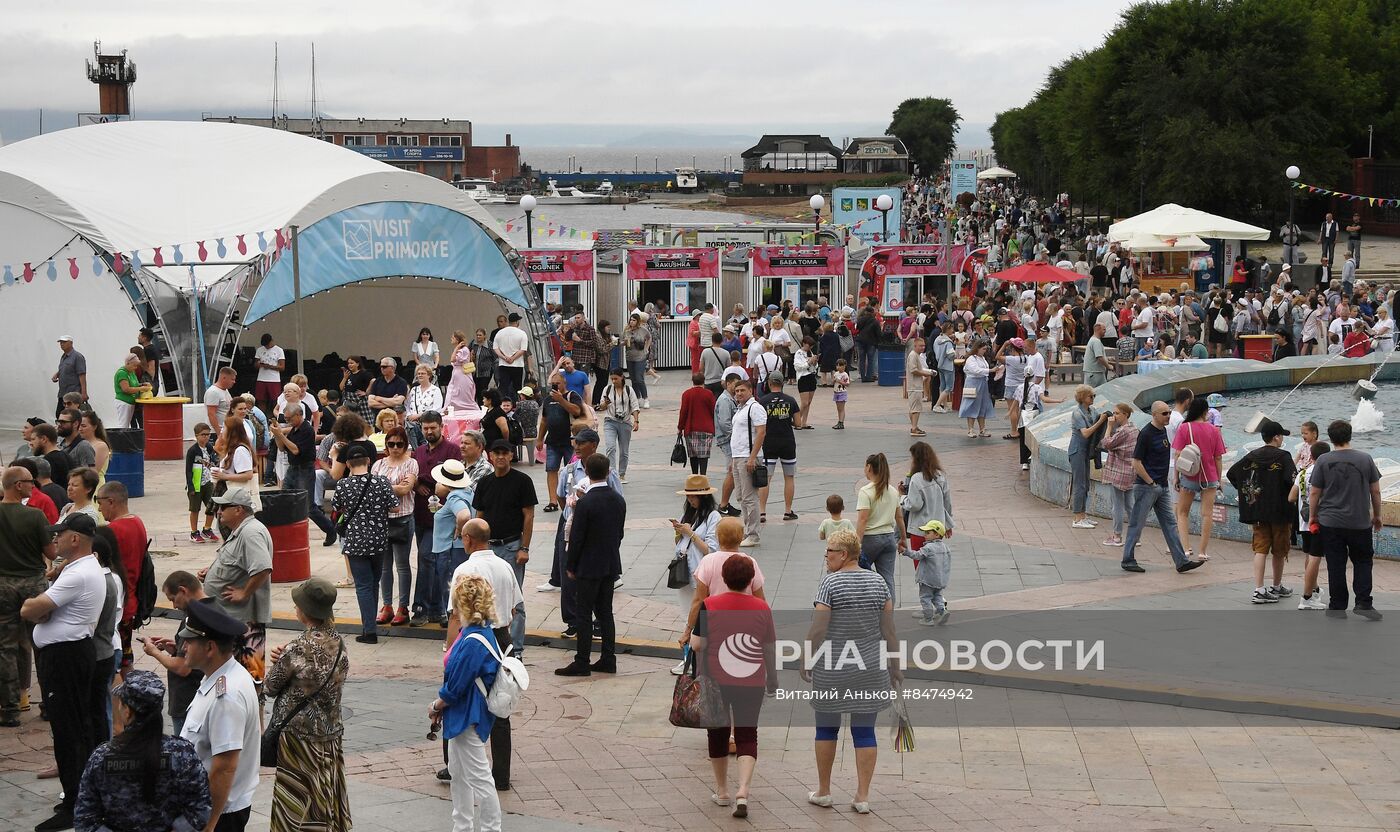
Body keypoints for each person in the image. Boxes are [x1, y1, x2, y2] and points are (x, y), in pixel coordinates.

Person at [803, 528, 902, 815]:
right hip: (870, 668)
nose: (826, 558)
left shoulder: (830, 584)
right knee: (864, 731)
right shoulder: (880, 583)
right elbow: (889, 631)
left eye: (829, 552)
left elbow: (819, 627)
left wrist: (806, 657)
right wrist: (895, 666)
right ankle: (862, 796)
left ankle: (823, 791)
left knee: (826, 729)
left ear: (844, 554)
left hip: (833, 668)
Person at [22, 512, 105, 832]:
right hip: (72, 653)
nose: (54, 539)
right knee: (77, 726)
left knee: (68, 730)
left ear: (76, 539)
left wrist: (34, 606)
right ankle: (81, 796)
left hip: (65, 657)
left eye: (61, 533)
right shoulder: (82, 568)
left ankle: (74, 805)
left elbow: (30, 609)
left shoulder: (77, 574)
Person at [690, 555, 777, 818]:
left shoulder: (709, 604)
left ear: (725, 579)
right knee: (747, 734)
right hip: (751, 680)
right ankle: (744, 790)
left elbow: (696, 645)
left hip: (715, 680)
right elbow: (769, 647)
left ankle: (723, 790)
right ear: (751, 579)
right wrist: (772, 679)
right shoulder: (762, 608)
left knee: (717, 734)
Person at [73, 670, 212, 832]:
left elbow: (85, 819)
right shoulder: (182, 753)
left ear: (127, 711)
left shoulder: (102, 757)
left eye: (121, 703)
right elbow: (201, 808)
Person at [265, 578, 351, 832]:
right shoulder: (339, 643)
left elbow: (270, 686)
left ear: (306, 611)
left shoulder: (298, 647)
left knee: (299, 796)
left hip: (298, 737)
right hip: (330, 733)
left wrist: (280, 660)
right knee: (324, 789)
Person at [177, 600, 262, 832]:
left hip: (219, 813)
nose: (183, 647)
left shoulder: (227, 697)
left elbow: (225, 766)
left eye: (189, 642)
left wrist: (209, 823)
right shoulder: (220, 675)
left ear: (210, 648)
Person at [431, 574, 502, 832]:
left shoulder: (471, 640)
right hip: (465, 712)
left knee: (480, 777)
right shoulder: (478, 632)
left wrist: (437, 705)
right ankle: (462, 826)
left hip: (467, 714)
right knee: (458, 773)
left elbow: (457, 686)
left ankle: (490, 828)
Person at [557, 453, 626, 676]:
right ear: (608, 473)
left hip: (588, 565)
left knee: (584, 613)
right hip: (610, 563)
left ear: (586, 472)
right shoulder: (618, 500)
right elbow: (619, 534)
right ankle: (608, 658)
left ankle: (582, 661)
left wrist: (571, 565)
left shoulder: (585, 503)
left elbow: (577, 538)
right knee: (606, 612)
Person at [1307, 420, 1383, 619]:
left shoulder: (1323, 460)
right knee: (1363, 561)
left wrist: (1313, 516)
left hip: (1330, 522)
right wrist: (1377, 515)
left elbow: (1314, 493)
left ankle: (1337, 606)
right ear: (1350, 435)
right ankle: (1364, 603)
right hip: (1359, 522)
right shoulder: (1366, 459)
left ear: (1330, 438)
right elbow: (1375, 491)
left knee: (1335, 563)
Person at [1121, 401, 1204, 574]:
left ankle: (1181, 561)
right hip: (1146, 487)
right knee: (1137, 523)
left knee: (1170, 524)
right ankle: (1128, 559)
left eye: (1169, 412)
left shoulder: (1164, 432)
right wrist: (1150, 482)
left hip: (1162, 487)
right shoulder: (1146, 434)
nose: (1168, 416)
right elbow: (1136, 462)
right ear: (1154, 415)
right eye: (1164, 413)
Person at [473, 439, 536, 658]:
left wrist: (524, 548)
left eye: (505, 453)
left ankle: (515, 649)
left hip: (511, 546)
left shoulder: (523, 481)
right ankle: (489, 644)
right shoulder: (484, 483)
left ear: (511, 455)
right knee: (485, 598)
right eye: (496, 453)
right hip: (488, 548)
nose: (500, 457)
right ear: (489, 455)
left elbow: (529, 515)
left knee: (514, 599)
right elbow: (479, 516)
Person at [1225, 418, 1298, 604]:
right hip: (1280, 511)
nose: (1282, 439)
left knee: (1260, 549)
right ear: (1276, 437)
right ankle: (1276, 584)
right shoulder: (1284, 457)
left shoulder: (1251, 456)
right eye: (1281, 436)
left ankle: (1259, 589)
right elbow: (1293, 481)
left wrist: (1247, 491)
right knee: (1280, 550)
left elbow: (1232, 473)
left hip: (1256, 510)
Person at [333, 445, 397, 643]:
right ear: (369, 461)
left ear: (349, 464)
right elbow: (394, 507)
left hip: (355, 542)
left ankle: (369, 631)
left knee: (362, 586)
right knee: (373, 583)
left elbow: (336, 508)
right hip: (378, 541)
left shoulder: (343, 485)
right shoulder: (381, 482)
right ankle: (371, 625)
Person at [141, 571, 213, 736]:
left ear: (183, 590)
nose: (174, 606)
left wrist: (154, 653)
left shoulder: (193, 618)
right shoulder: (211, 608)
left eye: (173, 599)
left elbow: (183, 668)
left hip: (186, 700)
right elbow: (201, 651)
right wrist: (176, 649)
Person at [408, 411, 461, 626]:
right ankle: (436, 608)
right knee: (428, 562)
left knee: (429, 558)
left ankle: (425, 609)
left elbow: (453, 480)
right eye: (425, 428)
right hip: (420, 514)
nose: (429, 431)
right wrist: (416, 483)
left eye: (433, 428)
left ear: (441, 427)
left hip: (442, 517)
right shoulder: (418, 452)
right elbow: (411, 475)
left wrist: (426, 481)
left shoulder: (452, 450)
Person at [668, 475, 721, 673]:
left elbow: (711, 550)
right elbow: (680, 544)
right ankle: (688, 660)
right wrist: (679, 532)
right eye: (688, 496)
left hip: (701, 574)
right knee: (687, 617)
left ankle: (696, 661)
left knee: (698, 619)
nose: (690, 500)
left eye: (693, 496)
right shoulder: (689, 514)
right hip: (684, 573)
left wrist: (690, 533)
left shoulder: (713, 517)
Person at [372, 427, 419, 627]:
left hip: (403, 518)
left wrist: (381, 487)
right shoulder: (378, 464)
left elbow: (405, 489)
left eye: (399, 444)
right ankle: (387, 605)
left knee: (402, 565)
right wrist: (393, 487)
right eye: (391, 444)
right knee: (384, 567)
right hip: (382, 520)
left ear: (405, 445)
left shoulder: (411, 463)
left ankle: (403, 606)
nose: (395, 448)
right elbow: (377, 488)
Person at [1172, 396, 1227, 562]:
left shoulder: (1184, 428)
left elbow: (1177, 454)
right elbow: (1218, 457)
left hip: (1189, 475)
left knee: (1182, 512)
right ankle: (1203, 551)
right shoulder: (1214, 430)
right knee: (1207, 514)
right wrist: (1219, 479)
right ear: (1205, 411)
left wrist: (1176, 477)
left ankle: (1186, 548)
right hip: (1209, 477)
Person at [854, 452, 908, 598]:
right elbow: (899, 517)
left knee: (860, 577)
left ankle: (865, 607)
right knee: (888, 579)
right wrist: (903, 538)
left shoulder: (865, 491)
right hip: (889, 538)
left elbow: (863, 520)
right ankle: (888, 614)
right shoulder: (892, 491)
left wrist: (857, 543)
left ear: (869, 467)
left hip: (870, 540)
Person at [727, 380, 766, 547]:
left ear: (751, 390)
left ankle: (753, 534)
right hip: (738, 457)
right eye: (736, 391)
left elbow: (761, 432)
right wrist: (733, 460)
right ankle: (748, 529)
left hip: (747, 457)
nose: (739, 393)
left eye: (742, 390)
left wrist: (752, 457)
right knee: (741, 496)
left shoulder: (754, 408)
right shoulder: (740, 408)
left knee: (750, 497)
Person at [535, 378, 583, 510]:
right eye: (553, 384)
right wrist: (540, 438)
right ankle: (553, 501)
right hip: (553, 441)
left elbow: (577, 411)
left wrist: (561, 400)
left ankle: (573, 496)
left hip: (571, 440)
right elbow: (544, 420)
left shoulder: (572, 396)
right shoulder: (548, 400)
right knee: (551, 469)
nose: (555, 386)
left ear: (564, 383)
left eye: (558, 383)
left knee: (572, 470)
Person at [757, 375, 799, 522]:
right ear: (782, 383)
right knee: (789, 477)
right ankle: (788, 511)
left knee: (766, 478)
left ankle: (762, 512)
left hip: (769, 442)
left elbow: (758, 423)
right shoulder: (791, 400)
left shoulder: (762, 402)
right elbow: (799, 423)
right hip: (787, 442)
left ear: (769, 384)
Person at [899, 442, 953, 551]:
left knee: (920, 565)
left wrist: (903, 497)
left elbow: (914, 505)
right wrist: (947, 524)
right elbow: (947, 502)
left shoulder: (916, 478)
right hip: (937, 529)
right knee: (935, 563)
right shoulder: (940, 476)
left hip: (920, 529)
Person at [1098, 403, 1139, 548]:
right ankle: (1136, 536)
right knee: (1130, 505)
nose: (1114, 416)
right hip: (1131, 472)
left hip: (1119, 473)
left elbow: (1106, 443)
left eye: (1117, 413)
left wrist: (1108, 427)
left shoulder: (1123, 431)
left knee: (1117, 506)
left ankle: (1116, 536)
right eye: (1114, 413)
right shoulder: (1134, 429)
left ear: (1125, 414)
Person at [1068, 385, 1108, 529]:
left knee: (1085, 483)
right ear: (1083, 397)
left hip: (1085, 450)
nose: (1093, 398)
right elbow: (1085, 433)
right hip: (1077, 450)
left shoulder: (1091, 411)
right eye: (1091, 396)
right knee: (1079, 484)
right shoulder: (1077, 413)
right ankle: (1077, 518)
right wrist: (1100, 422)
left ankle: (1083, 515)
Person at [598, 367, 641, 482]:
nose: (613, 381)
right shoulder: (607, 389)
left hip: (625, 422)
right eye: (611, 379)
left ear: (622, 377)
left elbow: (635, 406)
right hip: (610, 421)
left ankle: (622, 474)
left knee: (624, 451)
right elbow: (601, 407)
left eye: (615, 378)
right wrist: (605, 404)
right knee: (610, 447)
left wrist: (636, 421)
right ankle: (612, 473)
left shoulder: (629, 390)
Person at [676, 372, 715, 476]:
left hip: (691, 428)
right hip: (706, 428)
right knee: (704, 455)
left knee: (693, 455)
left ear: (692, 381)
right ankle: (703, 476)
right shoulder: (709, 394)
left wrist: (680, 427)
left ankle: (694, 475)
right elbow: (713, 411)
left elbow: (683, 412)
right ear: (704, 381)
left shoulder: (686, 394)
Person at [958, 341, 995, 438]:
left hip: (983, 383)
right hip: (973, 383)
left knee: (983, 405)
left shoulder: (982, 358)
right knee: (972, 404)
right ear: (977, 348)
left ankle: (982, 429)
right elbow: (975, 370)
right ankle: (970, 429)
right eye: (983, 349)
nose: (984, 351)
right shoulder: (971, 358)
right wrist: (990, 370)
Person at [405, 364, 445, 447]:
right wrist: (409, 416)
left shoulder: (435, 390)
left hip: (428, 424)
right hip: (413, 425)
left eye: (423, 373)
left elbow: (437, 409)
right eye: (418, 373)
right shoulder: (414, 390)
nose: (420, 375)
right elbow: (407, 405)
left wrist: (419, 415)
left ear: (429, 375)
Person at [112, 353, 152, 429]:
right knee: (123, 425)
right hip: (124, 402)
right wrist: (141, 389)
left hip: (131, 402)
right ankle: (121, 439)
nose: (136, 368)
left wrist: (142, 384)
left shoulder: (131, 372)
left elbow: (134, 384)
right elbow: (126, 389)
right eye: (134, 365)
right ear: (128, 363)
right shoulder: (122, 373)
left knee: (127, 424)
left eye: (136, 365)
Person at [52, 335, 88, 416]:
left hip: (73, 394)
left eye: (64, 342)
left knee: (72, 415)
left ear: (71, 343)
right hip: (63, 392)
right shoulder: (63, 357)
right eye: (60, 342)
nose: (62, 344)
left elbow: (82, 374)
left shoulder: (77, 357)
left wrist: (84, 393)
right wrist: (57, 374)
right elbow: (65, 368)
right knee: (60, 415)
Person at [622, 312, 652, 407]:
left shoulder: (643, 330)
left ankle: (645, 398)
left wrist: (646, 348)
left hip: (640, 356)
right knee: (633, 379)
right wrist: (622, 343)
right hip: (630, 356)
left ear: (638, 321)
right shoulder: (626, 330)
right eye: (631, 320)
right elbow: (623, 342)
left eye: (634, 320)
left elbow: (649, 337)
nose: (632, 322)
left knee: (639, 378)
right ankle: (637, 398)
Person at [443, 330, 479, 412]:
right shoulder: (460, 349)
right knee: (452, 393)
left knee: (461, 394)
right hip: (456, 375)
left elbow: (452, 359)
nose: (451, 339)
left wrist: (456, 348)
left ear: (457, 339)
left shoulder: (464, 350)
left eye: (453, 338)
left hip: (463, 375)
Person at [253, 333, 286, 417]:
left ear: (272, 341)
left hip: (274, 379)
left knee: (275, 400)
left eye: (267, 345)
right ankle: (261, 417)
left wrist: (270, 366)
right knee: (261, 399)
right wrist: (259, 364)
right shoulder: (259, 350)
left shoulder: (279, 350)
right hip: (261, 378)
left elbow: (282, 367)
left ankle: (275, 416)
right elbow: (255, 365)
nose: (266, 347)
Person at [905, 336, 932, 436]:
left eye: (924, 346)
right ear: (915, 346)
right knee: (916, 409)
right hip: (914, 386)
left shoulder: (916, 355)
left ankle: (914, 426)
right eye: (920, 346)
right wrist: (925, 373)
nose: (923, 348)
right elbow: (913, 370)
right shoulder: (913, 355)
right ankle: (914, 428)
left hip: (915, 385)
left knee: (914, 408)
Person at [830, 359, 850, 429]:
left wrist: (840, 381)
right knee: (838, 408)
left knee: (841, 408)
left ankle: (841, 422)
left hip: (842, 392)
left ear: (844, 366)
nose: (838, 367)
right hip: (836, 392)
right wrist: (833, 379)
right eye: (837, 365)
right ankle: (839, 421)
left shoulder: (845, 374)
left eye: (840, 365)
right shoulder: (836, 373)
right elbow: (832, 383)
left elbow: (847, 384)